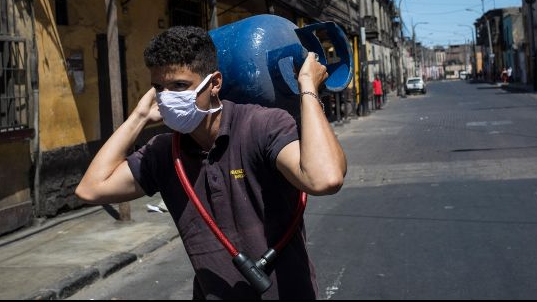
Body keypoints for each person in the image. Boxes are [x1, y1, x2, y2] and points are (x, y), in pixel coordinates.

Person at [75, 26, 346, 299]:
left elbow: (325, 178)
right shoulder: (164, 152)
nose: (167, 97)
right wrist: (139, 116)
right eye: (159, 87)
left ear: (214, 83)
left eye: (179, 85)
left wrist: (308, 89)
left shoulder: (261, 125)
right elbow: (91, 189)